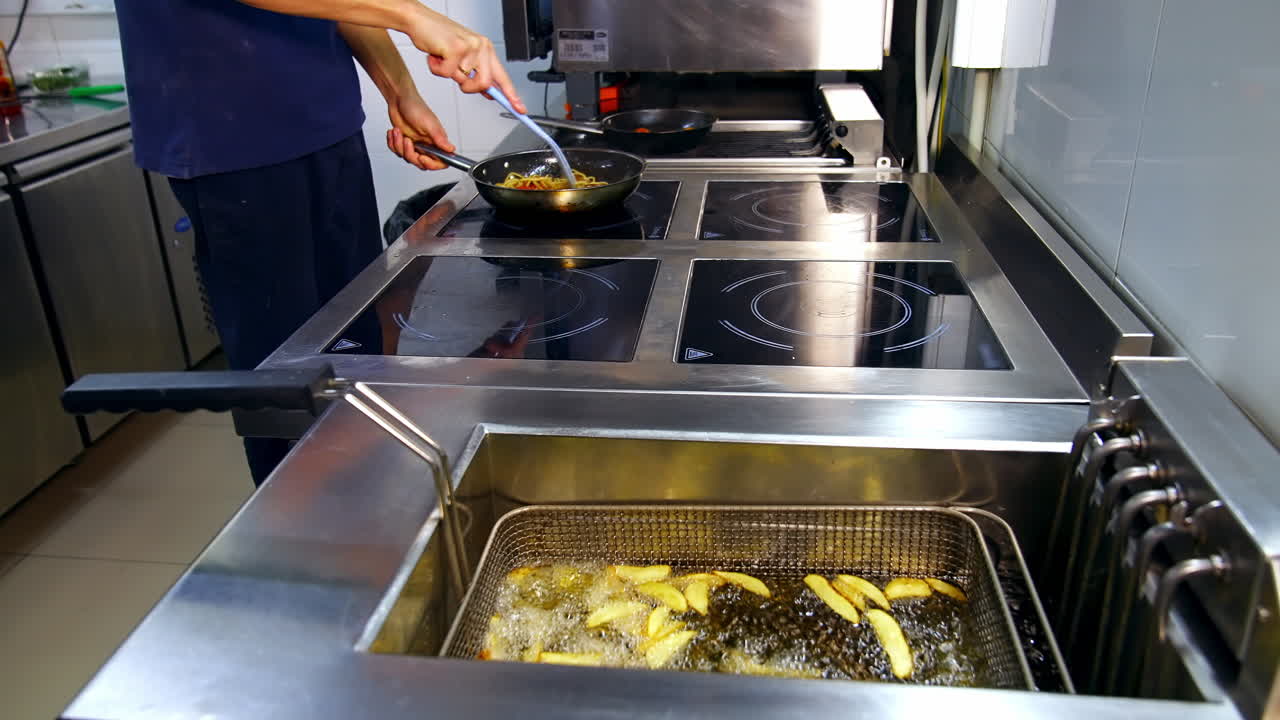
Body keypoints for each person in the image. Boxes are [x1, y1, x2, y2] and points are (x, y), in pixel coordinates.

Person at [112, 0, 526, 485]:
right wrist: (414, 16)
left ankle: (368, 507)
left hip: (328, 128)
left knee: (356, 348)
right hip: (231, 142)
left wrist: (399, 92)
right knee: (285, 384)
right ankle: (301, 542)